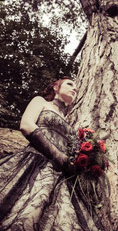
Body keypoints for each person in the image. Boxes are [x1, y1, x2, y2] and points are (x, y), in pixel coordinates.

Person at [0, 77, 102, 231]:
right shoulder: (41, 102)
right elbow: (26, 125)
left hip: (59, 176)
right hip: (33, 162)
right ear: (55, 87)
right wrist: (58, 155)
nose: (74, 89)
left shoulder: (70, 123)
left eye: (76, 87)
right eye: (69, 84)